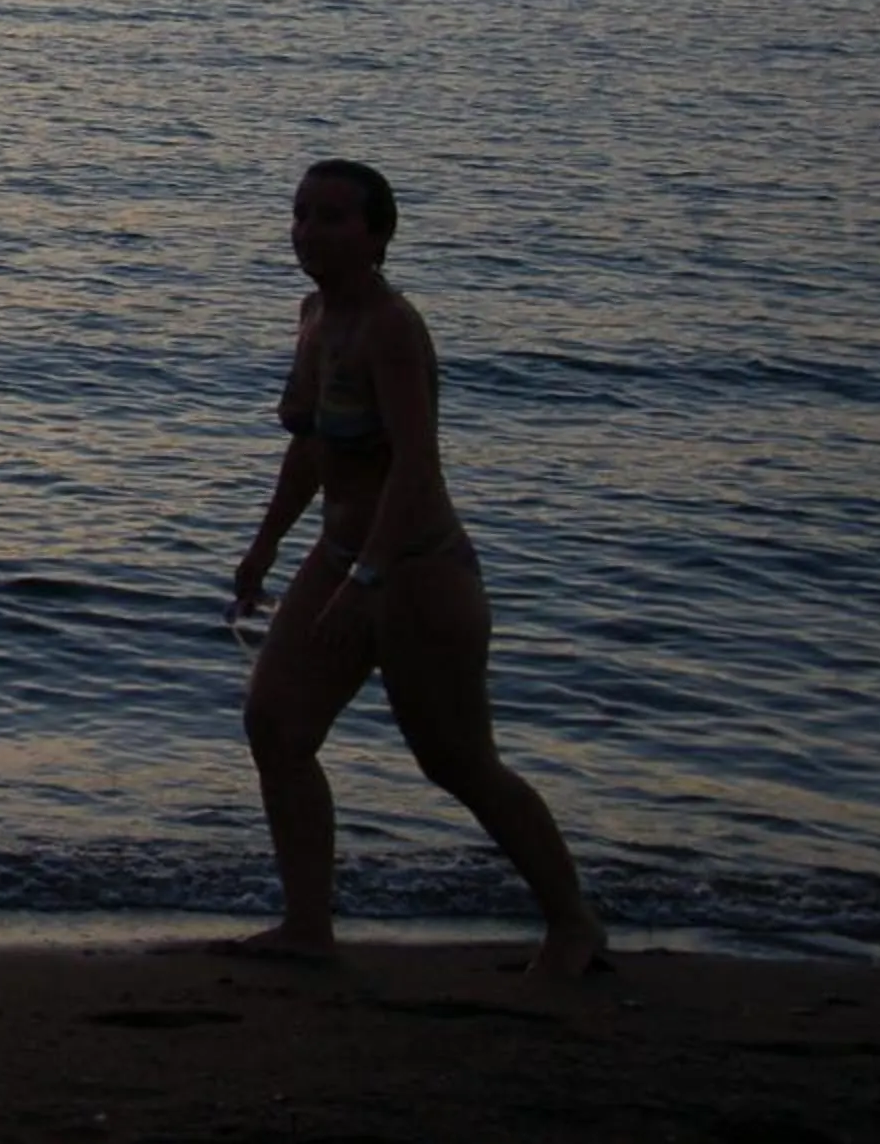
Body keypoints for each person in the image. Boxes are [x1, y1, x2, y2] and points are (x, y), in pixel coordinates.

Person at [230, 160, 604, 976]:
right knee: (276, 725)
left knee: (456, 760)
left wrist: (369, 576)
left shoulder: (392, 327)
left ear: (377, 235)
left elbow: (416, 466)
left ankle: (573, 924)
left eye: (332, 218)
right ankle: (306, 926)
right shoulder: (313, 316)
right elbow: (311, 448)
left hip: (418, 572)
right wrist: (263, 549)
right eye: (300, 214)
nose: (309, 231)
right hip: (340, 557)